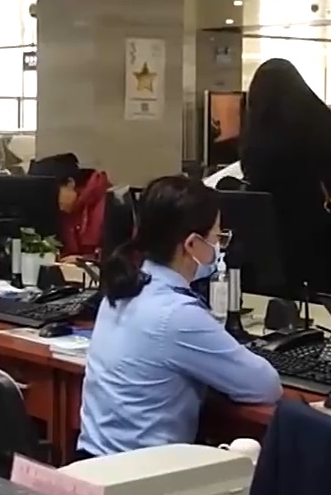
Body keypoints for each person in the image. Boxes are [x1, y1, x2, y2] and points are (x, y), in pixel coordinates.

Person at [76, 176, 282, 458]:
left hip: (93, 463)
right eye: (217, 238)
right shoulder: (177, 314)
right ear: (192, 244)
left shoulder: (124, 288)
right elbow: (266, 386)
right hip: (140, 476)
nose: (219, 248)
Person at [239, 58, 331, 294]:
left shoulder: (259, 127)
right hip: (315, 232)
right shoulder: (321, 119)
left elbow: (253, 173)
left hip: (269, 235)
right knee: (316, 297)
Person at [30, 153, 111, 259]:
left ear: (70, 183)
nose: (52, 201)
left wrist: (84, 260)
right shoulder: (61, 213)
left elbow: (116, 255)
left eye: (53, 194)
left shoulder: (106, 202)